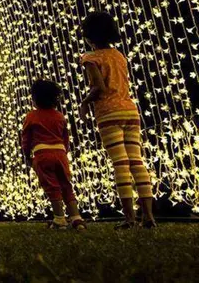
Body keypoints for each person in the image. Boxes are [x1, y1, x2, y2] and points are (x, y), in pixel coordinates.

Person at [79, 12, 156, 229]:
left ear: (88, 35)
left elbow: (99, 87)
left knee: (120, 164)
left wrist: (84, 103)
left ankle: (130, 218)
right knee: (136, 161)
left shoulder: (90, 58)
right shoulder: (119, 55)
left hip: (109, 113)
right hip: (130, 111)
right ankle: (148, 216)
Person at [21, 80, 86, 231]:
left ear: (35, 98)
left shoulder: (32, 116)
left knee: (52, 187)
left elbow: (26, 138)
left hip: (42, 154)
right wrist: (64, 152)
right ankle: (77, 218)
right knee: (66, 185)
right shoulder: (59, 116)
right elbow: (66, 137)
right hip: (60, 153)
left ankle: (59, 219)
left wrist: (26, 154)